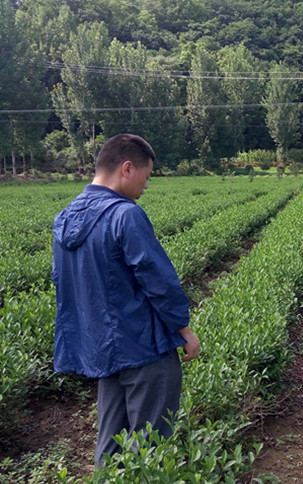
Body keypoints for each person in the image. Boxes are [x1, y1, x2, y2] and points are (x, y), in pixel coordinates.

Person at [52, 133, 200, 467]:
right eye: (147, 177)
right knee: (150, 445)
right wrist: (184, 330)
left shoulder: (64, 219)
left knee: (111, 440)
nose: (146, 187)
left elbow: (67, 287)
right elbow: (159, 282)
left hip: (102, 349)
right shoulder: (125, 215)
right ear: (127, 168)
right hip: (144, 349)